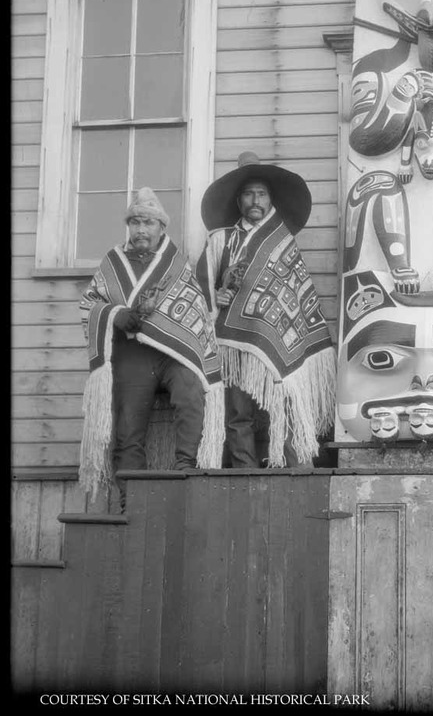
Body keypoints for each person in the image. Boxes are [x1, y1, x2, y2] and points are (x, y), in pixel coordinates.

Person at [79, 187, 225, 504]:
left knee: (191, 392)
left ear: (161, 227)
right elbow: (89, 305)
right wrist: (117, 314)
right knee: (127, 425)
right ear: (128, 227)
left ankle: (185, 472)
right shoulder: (112, 262)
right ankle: (130, 500)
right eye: (135, 222)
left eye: (148, 223)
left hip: (174, 354)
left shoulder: (177, 262)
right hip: (132, 354)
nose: (141, 229)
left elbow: (197, 312)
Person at [197, 152, 336, 468]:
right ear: (238, 200)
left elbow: (298, 294)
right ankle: (243, 469)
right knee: (238, 413)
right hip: (234, 344)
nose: (255, 200)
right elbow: (201, 288)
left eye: (261, 193)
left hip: (280, 341)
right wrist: (216, 297)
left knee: (286, 405)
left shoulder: (283, 241)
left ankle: (292, 465)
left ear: (270, 198)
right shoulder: (221, 240)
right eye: (248, 194)